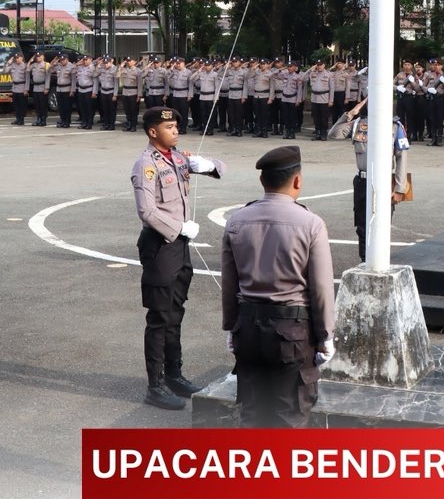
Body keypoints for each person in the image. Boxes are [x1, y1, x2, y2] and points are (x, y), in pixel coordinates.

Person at [221, 146, 335, 427]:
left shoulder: (236, 221)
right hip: (292, 334)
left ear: (262, 181)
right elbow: (320, 288)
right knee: (289, 417)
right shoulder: (310, 224)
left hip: (247, 328)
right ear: (297, 181)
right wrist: (325, 336)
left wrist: (230, 326)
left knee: (252, 413)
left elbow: (229, 282)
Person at [131, 106, 225, 409]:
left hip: (180, 245)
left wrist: (208, 164)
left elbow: (220, 169)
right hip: (160, 244)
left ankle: (174, 374)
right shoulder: (146, 164)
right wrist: (178, 227)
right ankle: (155, 385)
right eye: (168, 126)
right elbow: (146, 210)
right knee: (159, 317)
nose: (175, 130)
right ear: (152, 132)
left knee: (175, 312)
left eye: (176, 125)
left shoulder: (178, 157)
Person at [328, 96, 410, 261]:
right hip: (363, 180)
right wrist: (349, 115)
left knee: (382, 222)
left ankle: (381, 259)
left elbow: (402, 158)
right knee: (362, 225)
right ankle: (364, 260)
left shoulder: (395, 126)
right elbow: (334, 134)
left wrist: (400, 188)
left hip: (385, 181)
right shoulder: (359, 123)